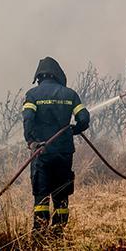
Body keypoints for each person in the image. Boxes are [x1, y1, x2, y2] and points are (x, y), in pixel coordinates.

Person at [22, 56, 90, 230]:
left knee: (41, 194)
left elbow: (28, 119)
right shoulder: (70, 94)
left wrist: (31, 141)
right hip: (64, 152)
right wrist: (73, 130)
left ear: (39, 77)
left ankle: (40, 233)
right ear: (58, 75)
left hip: (42, 152)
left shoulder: (32, 95)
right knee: (61, 193)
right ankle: (58, 232)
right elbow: (84, 119)